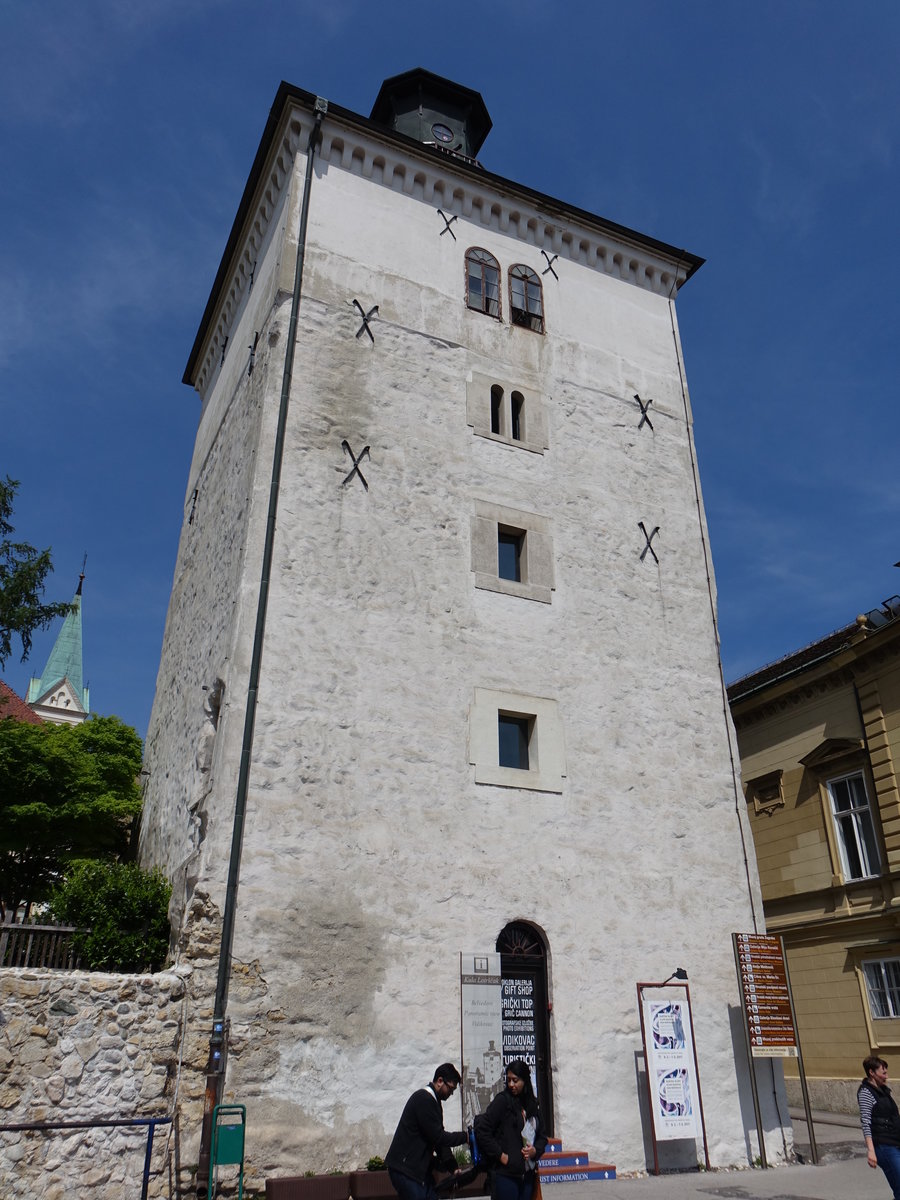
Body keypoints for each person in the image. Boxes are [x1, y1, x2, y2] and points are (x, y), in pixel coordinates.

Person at [386, 1063, 468, 1200]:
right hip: (406, 1170)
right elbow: (439, 1137)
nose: (451, 1094)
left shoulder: (434, 1102)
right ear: (440, 1081)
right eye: (451, 1089)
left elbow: (438, 1140)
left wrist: (453, 1167)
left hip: (418, 1171)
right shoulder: (424, 1100)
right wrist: (465, 1137)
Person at [474, 1061, 547, 1200]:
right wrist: (501, 1156)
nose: (511, 1085)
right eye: (508, 1080)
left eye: (515, 1080)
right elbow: (482, 1130)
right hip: (505, 1175)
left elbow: (542, 1137)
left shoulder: (533, 1105)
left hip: (527, 1176)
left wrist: (535, 1151)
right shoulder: (502, 1101)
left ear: (525, 1081)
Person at [858, 1055, 900, 1198]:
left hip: (895, 1141)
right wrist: (871, 1150)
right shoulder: (866, 1093)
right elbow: (866, 1121)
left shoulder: (884, 1092)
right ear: (872, 1072)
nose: (886, 1076)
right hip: (883, 1146)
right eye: (883, 1073)